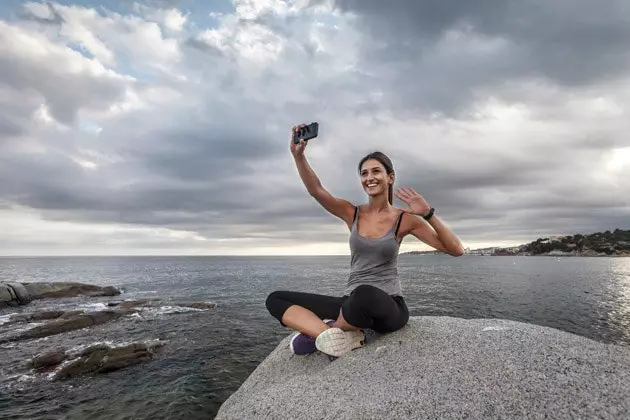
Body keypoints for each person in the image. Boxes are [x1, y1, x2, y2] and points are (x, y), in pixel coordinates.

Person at [265, 124, 465, 358]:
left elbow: (456, 250)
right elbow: (316, 190)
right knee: (276, 299)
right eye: (364, 173)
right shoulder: (352, 213)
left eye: (376, 171)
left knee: (364, 293)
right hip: (350, 304)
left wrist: (428, 214)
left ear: (390, 178)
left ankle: (330, 330)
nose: (369, 178)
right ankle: (329, 335)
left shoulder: (405, 219)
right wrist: (298, 156)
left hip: (388, 306)